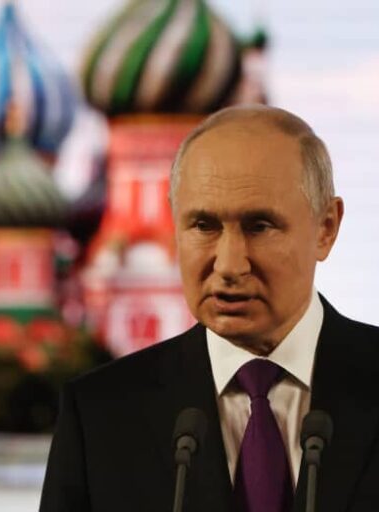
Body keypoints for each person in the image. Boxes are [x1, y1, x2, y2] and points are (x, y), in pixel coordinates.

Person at [39, 105, 379, 512]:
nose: (230, 266)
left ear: (326, 228)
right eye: (203, 226)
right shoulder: (99, 416)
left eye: (259, 227)